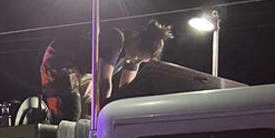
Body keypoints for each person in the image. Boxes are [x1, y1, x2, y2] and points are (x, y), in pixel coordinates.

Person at [39, 20, 174, 122]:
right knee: (72, 108)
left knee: (87, 117)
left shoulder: (134, 59)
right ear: (137, 40)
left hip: (85, 73)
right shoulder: (117, 39)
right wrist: (104, 112)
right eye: (138, 55)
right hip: (61, 59)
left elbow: (125, 91)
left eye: (141, 61)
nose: (135, 60)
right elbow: (104, 82)